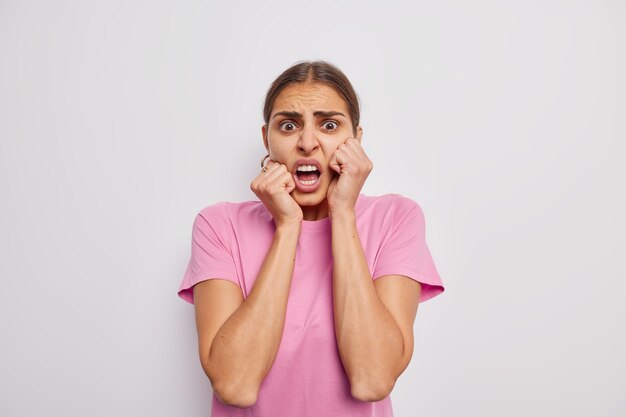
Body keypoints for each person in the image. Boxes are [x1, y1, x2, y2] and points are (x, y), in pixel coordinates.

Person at [177, 61, 445, 417]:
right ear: (266, 139)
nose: (306, 143)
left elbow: (372, 379)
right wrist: (288, 226)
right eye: (288, 125)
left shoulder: (397, 219)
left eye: (329, 125)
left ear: (357, 140)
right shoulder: (218, 225)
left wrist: (343, 211)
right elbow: (235, 385)